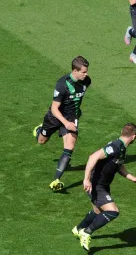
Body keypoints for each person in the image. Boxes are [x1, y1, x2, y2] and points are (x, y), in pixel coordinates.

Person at [72, 123, 136, 251]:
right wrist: (86, 179)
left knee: (97, 212)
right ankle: (86, 232)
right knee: (113, 211)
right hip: (96, 185)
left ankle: (78, 229)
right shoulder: (115, 146)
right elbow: (93, 157)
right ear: (134, 137)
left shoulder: (122, 148)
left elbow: (118, 165)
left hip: (103, 185)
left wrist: (132, 177)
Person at [32, 56, 91, 192]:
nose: (86, 74)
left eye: (86, 71)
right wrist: (65, 122)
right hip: (55, 117)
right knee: (41, 141)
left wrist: (72, 117)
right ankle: (40, 129)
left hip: (71, 117)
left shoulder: (86, 81)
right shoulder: (62, 84)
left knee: (69, 147)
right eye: (83, 72)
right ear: (75, 71)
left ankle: (56, 179)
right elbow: (54, 108)